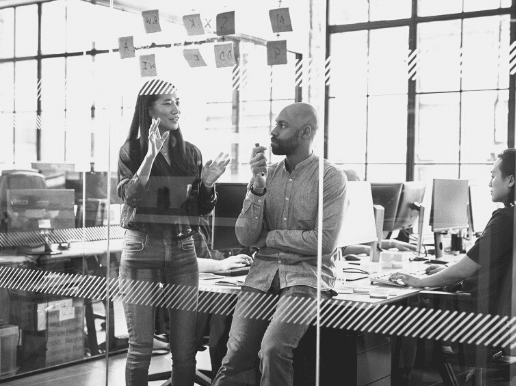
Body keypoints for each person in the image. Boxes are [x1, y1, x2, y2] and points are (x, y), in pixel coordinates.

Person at [212, 102, 348, 386]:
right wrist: (257, 185)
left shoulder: (331, 177)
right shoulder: (268, 175)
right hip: (263, 273)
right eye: (276, 123)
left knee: (272, 349)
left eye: (282, 126)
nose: (273, 131)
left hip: (306, 276)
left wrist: (270, 238)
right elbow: (246, 237)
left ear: (305, 133)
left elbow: (323, 241)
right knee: (234, 355)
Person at [117, 79, 230, 386]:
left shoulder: (190, 153)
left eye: (178, 102)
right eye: (168, 103)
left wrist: (207, 183)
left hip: (183, 251)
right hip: (143, 248)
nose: (176, 109)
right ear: (149, 109)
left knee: (184, 350)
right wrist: (151, 155)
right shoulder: (132, 151)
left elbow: (198, 211)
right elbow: (131, 196)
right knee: (140, 348)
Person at [392, 148, 516, 316]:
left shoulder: (506, 219)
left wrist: (419, 281)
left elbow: (465, 270)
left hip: (477, 314)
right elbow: (491, 267)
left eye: (493, 176)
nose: (489, 183)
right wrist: (447, 270)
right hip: (506, 315)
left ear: (510, 180)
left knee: (405, 304)